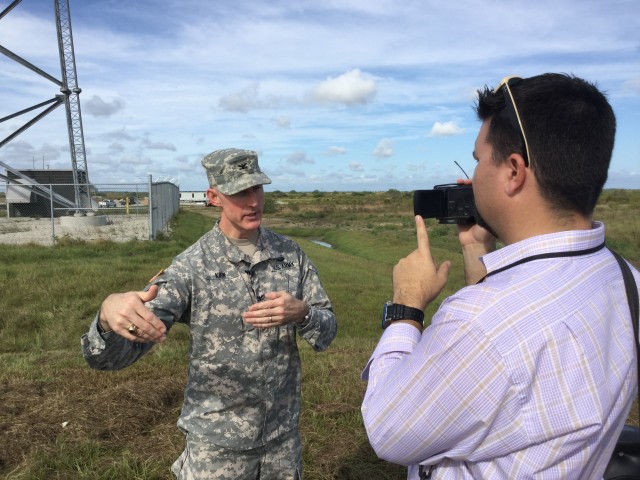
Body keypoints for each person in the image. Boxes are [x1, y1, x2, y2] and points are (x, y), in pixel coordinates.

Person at [361, 73, 640, 479]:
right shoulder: (625, 278)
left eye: (476, 160)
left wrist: (406, 305)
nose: (472, 177)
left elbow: (387, 430)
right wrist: (476, 249)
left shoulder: (479, 323)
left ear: (513, 171)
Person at [82, 148, 337, 480]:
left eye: (257, 188)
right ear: (214, 197)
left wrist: (303, 313)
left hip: (281, 446)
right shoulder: (191, 267)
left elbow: (327, 332)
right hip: (216, 451)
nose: (253, 201)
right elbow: (109, 358)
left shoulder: (291, 255)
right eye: (238, 192)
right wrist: (106, 319)